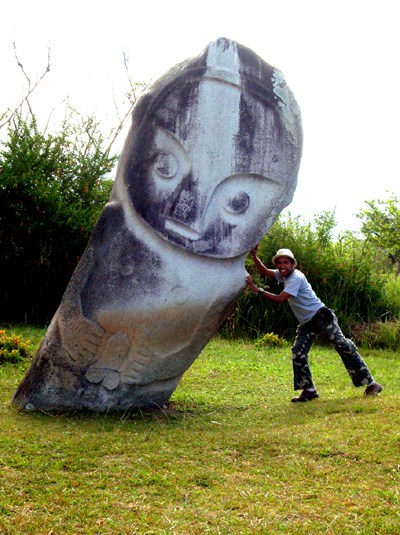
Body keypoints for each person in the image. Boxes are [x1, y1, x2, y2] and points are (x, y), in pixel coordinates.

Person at [246, 246, 383, 402]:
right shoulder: (283, 274)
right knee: (298, 352)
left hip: (321, 317)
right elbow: (264, 271)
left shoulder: (296, 277)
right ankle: (309, 390)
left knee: (343, 346)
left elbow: (280, 299)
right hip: (307, 323)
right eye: (279, 263)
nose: (282, 266)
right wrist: (254, 256)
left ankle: (372, 384)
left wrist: (257, 290)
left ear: (293, 264)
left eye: (286, 262)